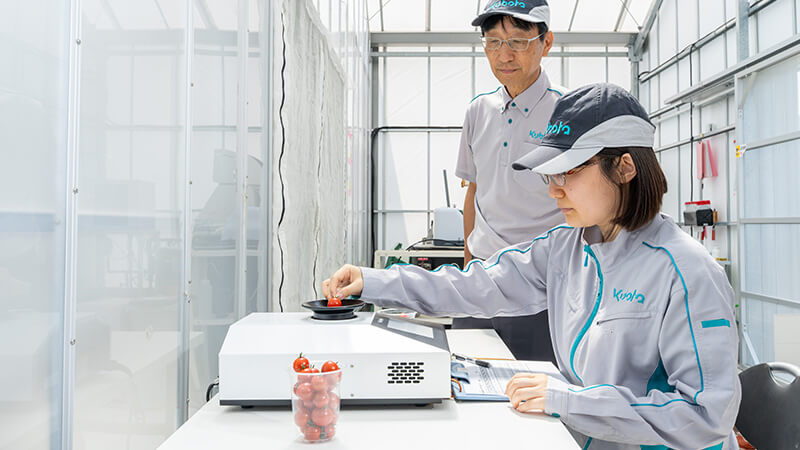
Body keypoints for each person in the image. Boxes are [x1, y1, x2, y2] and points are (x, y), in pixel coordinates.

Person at [324, 84, 741, 449]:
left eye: (570, 172)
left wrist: (567, 400)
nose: (555, 190)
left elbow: (705, 415)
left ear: (625, 166)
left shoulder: (686, 271)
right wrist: (372, 281)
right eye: (550, 175)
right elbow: (475, 286)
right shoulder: (567, 249)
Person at [455, 0, 565, 363]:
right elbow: (475, 191)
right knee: (468, 383)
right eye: (493, 41)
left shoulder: (568, 112)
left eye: (518, 40)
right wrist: (468, 266)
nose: (504, 54)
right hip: (481, 280)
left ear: (545, 43)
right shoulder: (477, 111)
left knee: (538, 396)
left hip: (544, 286)